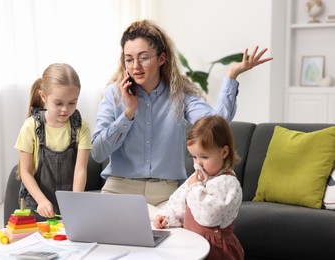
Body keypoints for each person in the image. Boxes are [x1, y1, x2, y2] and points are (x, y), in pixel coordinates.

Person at [91, 19, 272, 207]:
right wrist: (128, 113)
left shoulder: (180, 95)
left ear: (162, 59)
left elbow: (216, 124)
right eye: (129, 59)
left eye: (144, 57)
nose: (135, 66)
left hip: (166, 194)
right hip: (119, 189)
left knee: (176, 236)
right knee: (103, 235)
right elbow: (97, 152)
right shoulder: (114, 94)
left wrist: (232, 76)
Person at [153, 115, 244, 260]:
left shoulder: (228, 183)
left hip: (215, 250)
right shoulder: (199, 177)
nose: (198, 163)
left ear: (224, 152)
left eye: (204, 157)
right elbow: (179, 200)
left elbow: (209, 216)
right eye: (194, 157)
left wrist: (195, 187)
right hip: (191, 243)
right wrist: (166, 217)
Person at [15, 63, 92, 221]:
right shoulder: (30, 126)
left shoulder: (81, 127)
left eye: (72, 103)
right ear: (44, 97)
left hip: (68, 204)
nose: (65, 109)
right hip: (37, 203)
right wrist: (42, 201)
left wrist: (75, 203)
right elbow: (25, 172)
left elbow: (80, 171)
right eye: (58, 103)